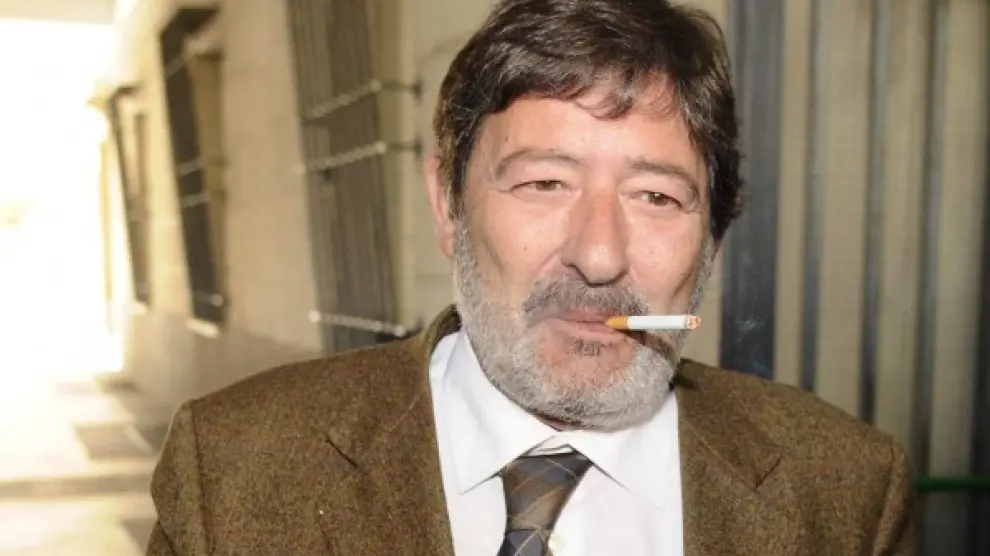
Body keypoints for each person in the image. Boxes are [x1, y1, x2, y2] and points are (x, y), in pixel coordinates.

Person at [146, 0, 918, 554]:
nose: (599, 256)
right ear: (448, 205)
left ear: (713, 236)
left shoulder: (845, 492)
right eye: (545, 183)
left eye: (657, 196)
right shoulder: (233, 469)